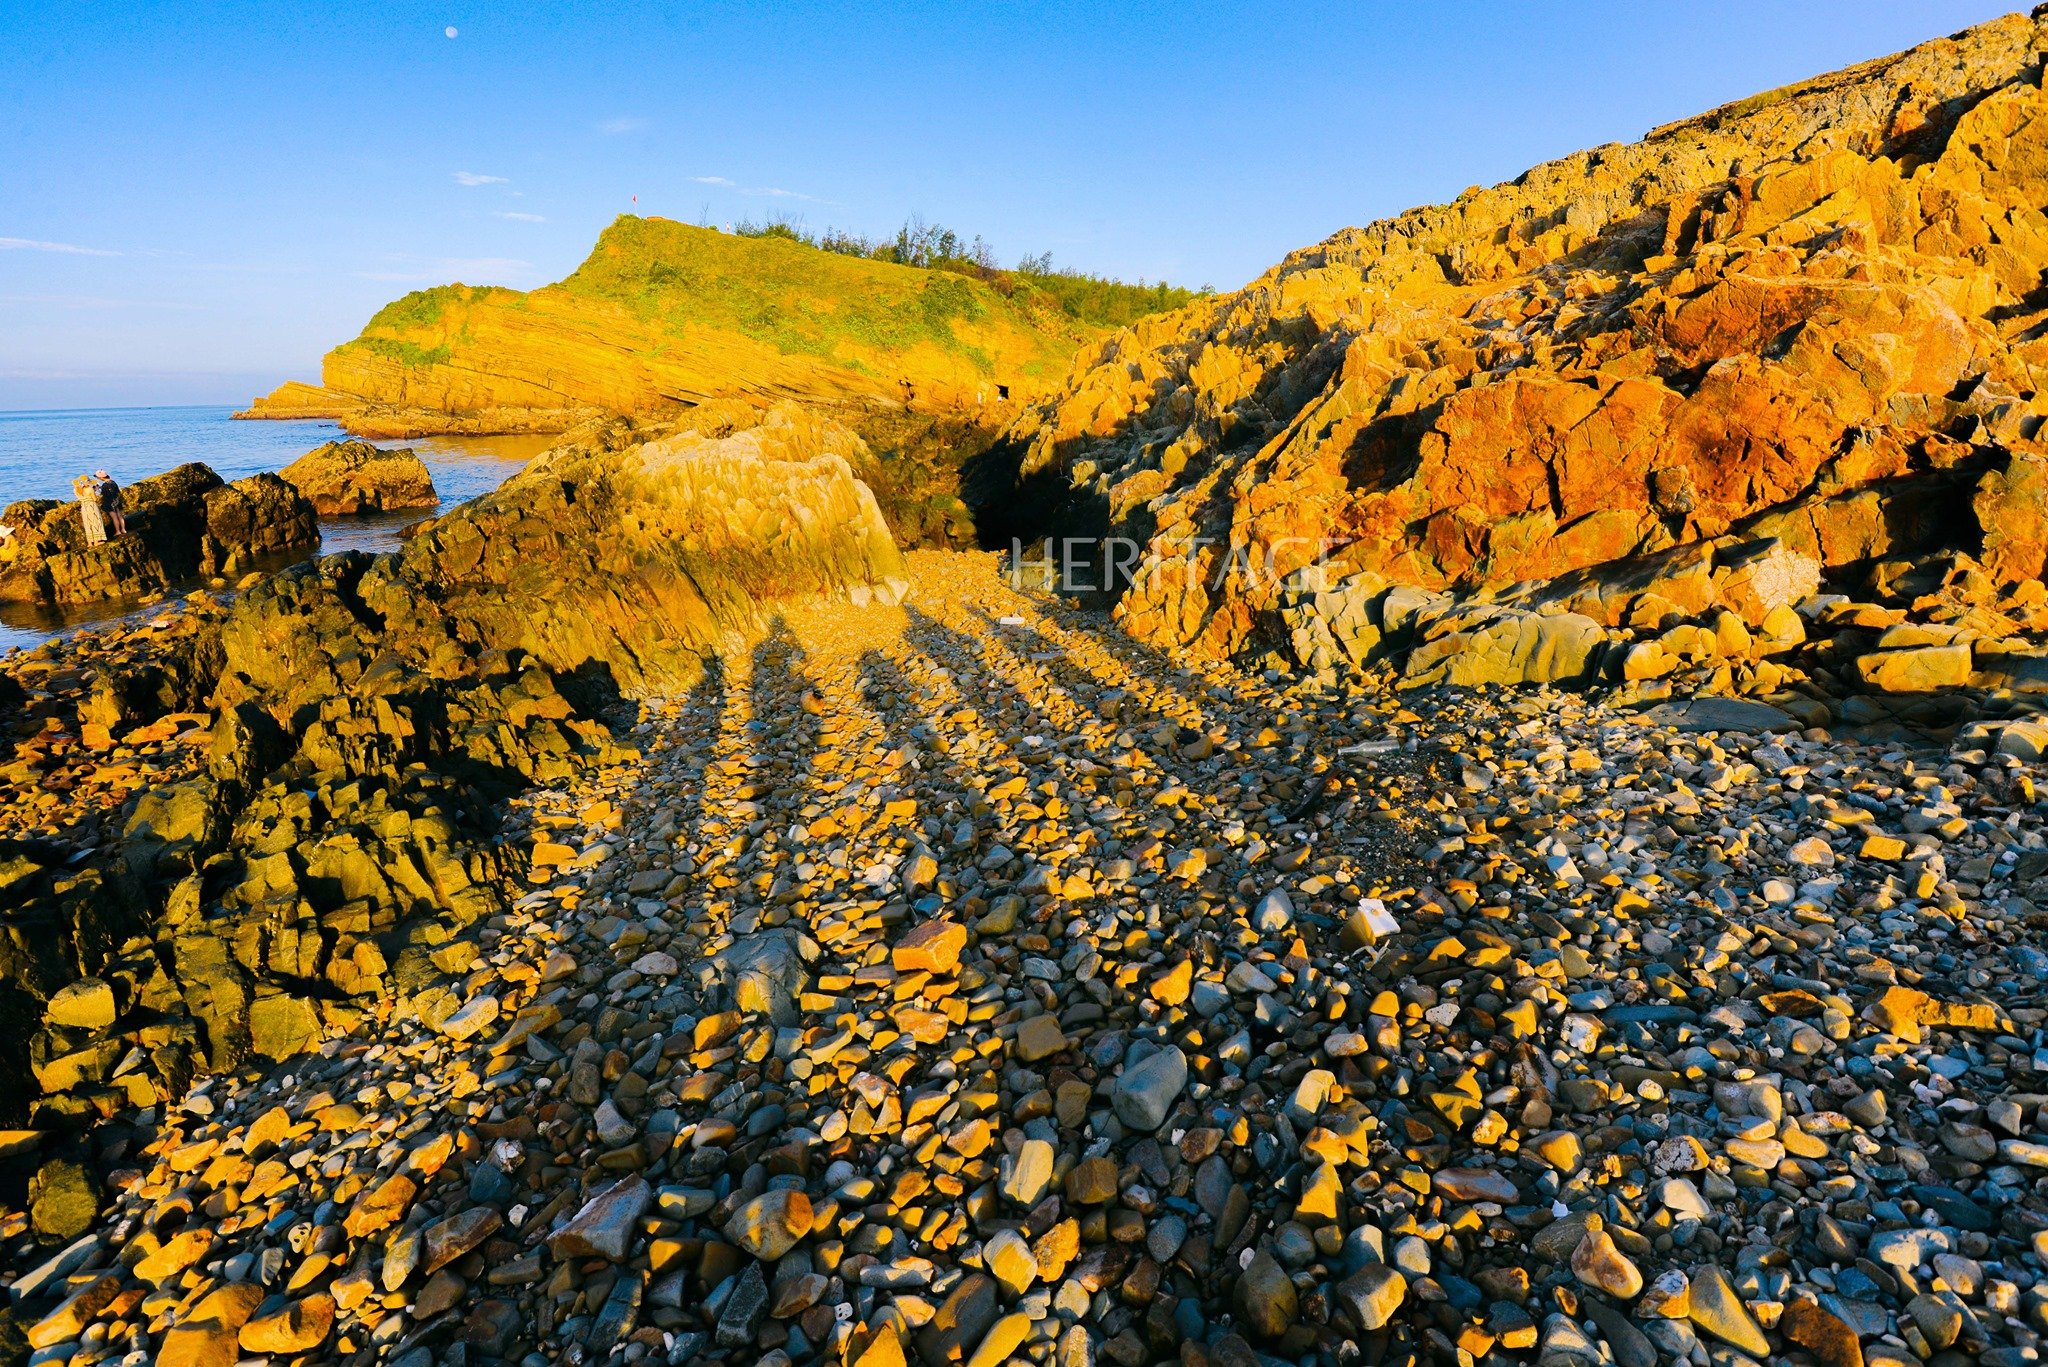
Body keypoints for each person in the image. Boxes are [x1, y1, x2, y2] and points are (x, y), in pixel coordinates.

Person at [73, 474, 107, 546]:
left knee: (87, 523)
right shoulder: (90, 489)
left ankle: (89, 543)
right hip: (92, 506)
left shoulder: (76, 490)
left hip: (84, 507)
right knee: (95, 522)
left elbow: (80, 497)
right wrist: (96, 491)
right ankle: (96, 541)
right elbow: (94, 499)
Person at [96, 471, 126, 536]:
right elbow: (117, 491)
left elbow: (104, 494)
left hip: (110, 502)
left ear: (101, 477)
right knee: (120, 516)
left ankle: (118, 531)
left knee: (114, 517)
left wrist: (98, 489)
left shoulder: (104, 485)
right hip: (117, 501)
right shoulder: (113, 482)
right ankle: (123, 529)